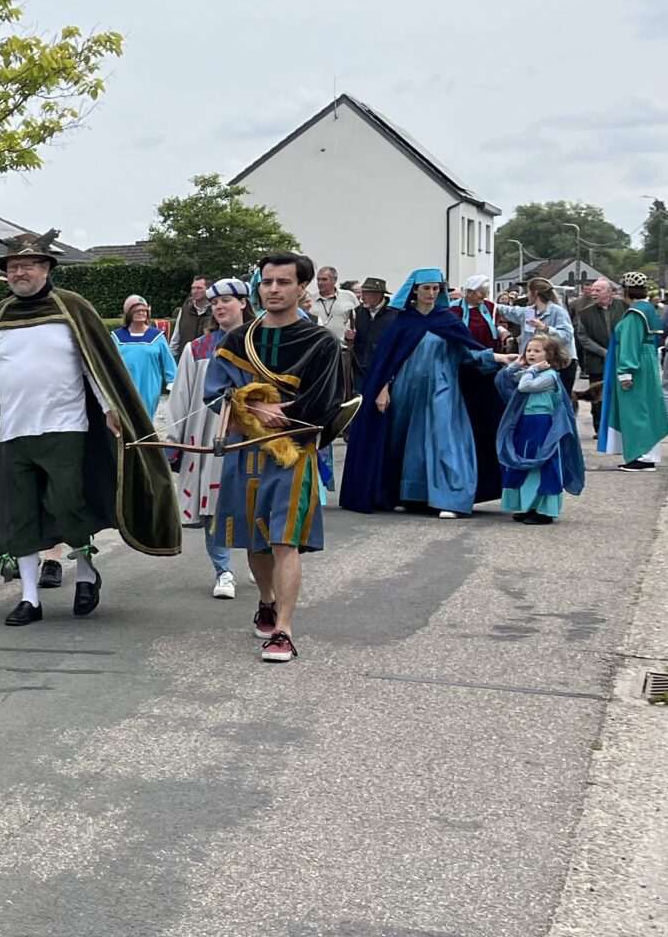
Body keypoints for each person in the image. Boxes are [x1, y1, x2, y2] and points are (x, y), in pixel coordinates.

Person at [0, 231, 181, 624]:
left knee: (67, 505)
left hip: (65, 428)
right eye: (14, 267)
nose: (20, 273)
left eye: (28, 265)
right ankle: (29, 598)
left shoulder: (72, 309)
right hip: (14, 432)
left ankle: (86, 572)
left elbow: (94, 366)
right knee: (21, 515)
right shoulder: (0, 317)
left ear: (46, 268)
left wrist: (110, 407)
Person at [205, 253, 345, 664]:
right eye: (267, 282)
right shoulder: (236, 340)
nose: (273, 289)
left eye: (283, 282)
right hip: (246, 451)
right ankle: (266, 600)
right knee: (257, 539)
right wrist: (251, 405)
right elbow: (215, 394)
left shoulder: (321, 342)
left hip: (292, 452)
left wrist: (282, 415)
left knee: (285, 539)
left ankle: (283, 629)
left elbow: (324, 403)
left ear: (302, 287)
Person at [340, 268, 504, 517]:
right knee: (409, 445)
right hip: (407, 391)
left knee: (445, 440)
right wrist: (382, 389)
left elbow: (468, 353)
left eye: (436, 288)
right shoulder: (402, 322)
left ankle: (451, 500)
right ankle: (416, 495)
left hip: (443, 389)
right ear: (415, 290)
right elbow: (386, 361)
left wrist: (498, 357)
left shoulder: (448, 321)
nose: (431, 293)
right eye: (426, 288)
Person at [159, 277, 253, 597]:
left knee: (254, 503)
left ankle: (259, 561)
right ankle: (223, 571)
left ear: (243, 303)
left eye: (226, 300)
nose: (219, 307)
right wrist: (174, 441)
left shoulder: (261, 343)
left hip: (252, 436)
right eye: (214, 303)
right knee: (214, 506)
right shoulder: (197, 348)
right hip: (207, 436)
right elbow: (181, 398)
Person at [495, 333, 587, 524]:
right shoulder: (532, 372)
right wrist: (516, 365)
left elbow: (525, 386)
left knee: (542, 464)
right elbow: (502, 380)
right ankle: (527, 506)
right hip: (526, 423)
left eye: (537, 351)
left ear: (549, 355)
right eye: (528, 350)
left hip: (543, 424)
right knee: (523, 461)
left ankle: (544, 510)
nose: (531, 354)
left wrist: (531, 370)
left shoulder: (549, 376)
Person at [598, 273, 668, 470]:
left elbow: (629, 343)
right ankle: (647, 455)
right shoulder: (649, 309)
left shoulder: (635, 314)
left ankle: (643, 456)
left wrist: (625, 372)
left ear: (626, 290)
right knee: (647, 407)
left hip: (636, 365)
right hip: (647, 362)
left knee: (636, 409)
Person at [113, 294, 179, 416]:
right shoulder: (116, 337)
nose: (141, 313)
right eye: (137, 310)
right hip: (123, 386)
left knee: (145, 418)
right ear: (128, 313)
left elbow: (168, 361)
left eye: (144, 310)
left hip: (149, 387)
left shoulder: (157, 336)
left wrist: (172, 381)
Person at [574, 278, 620, 440]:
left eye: (598, 290)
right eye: (593, 290)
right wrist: (603, 352)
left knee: (619, 394)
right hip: (596, 361)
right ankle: (600, 428)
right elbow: (583, 337)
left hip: (620, 359)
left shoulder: (623, 307)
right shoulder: (585, 313)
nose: (593, 293)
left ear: (609, 292)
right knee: (598, 396)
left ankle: (618, 428)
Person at [307, 266, 353, 341]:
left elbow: (356, 321)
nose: (320, 283)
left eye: (324, 279)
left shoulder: (348, 297)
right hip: (317, 344)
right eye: (318, 279)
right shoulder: (310, 300)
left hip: (341, 345)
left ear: (334, 280)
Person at [456, 277, 504, 351]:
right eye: (482, 292)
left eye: (486, 292)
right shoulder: (455, 308)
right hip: (465, 352)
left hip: (488, 351)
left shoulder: (490, 307)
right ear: (469, 292)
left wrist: (502, 331)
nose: (485, 296)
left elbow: (495, 324)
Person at [168, 276, 214, 350]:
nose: (195, 291)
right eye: (193, 288)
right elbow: (176, 338)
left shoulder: (215, 312)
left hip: (206, 355)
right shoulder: (185, 310)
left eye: (199, 288)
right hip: (184, 355)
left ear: (208, 290)